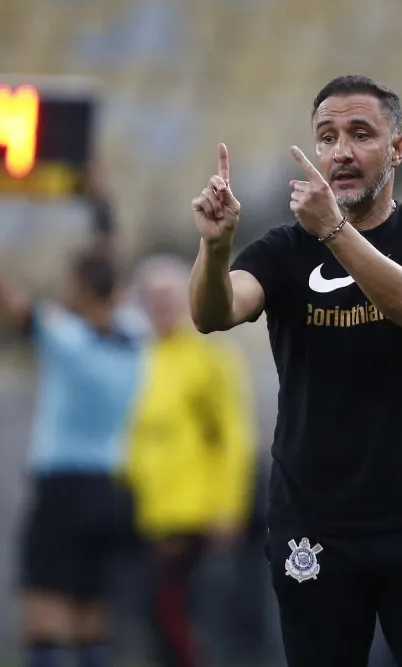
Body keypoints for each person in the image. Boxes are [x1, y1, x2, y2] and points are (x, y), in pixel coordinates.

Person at [187, 74, 402, 667]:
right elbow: (213, 312)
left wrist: (336, 233)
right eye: (327, 136)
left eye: (360, 134)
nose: (341, 151)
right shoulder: (284, 249)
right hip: (313, 526)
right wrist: (214, 249)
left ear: (397, 150)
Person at [0, 176, 142, 667]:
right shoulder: (136, 337)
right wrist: (103, 208)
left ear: (80, 288)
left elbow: (2, 298)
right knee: (91, 625)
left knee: (44, 621)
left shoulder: (66, 339)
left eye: (69, 282)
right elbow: (105, 272)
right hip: (111, 489)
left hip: (62, 491)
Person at [126, 254, 257, 667]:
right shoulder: (137, 358)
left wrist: (229, 505)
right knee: (160, 618)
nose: (160, 306)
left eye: (168, 296)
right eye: (151, 298)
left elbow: (235, 436)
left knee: (195, 619)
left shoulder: (209, 356)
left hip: (199, 513)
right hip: (149, 513)